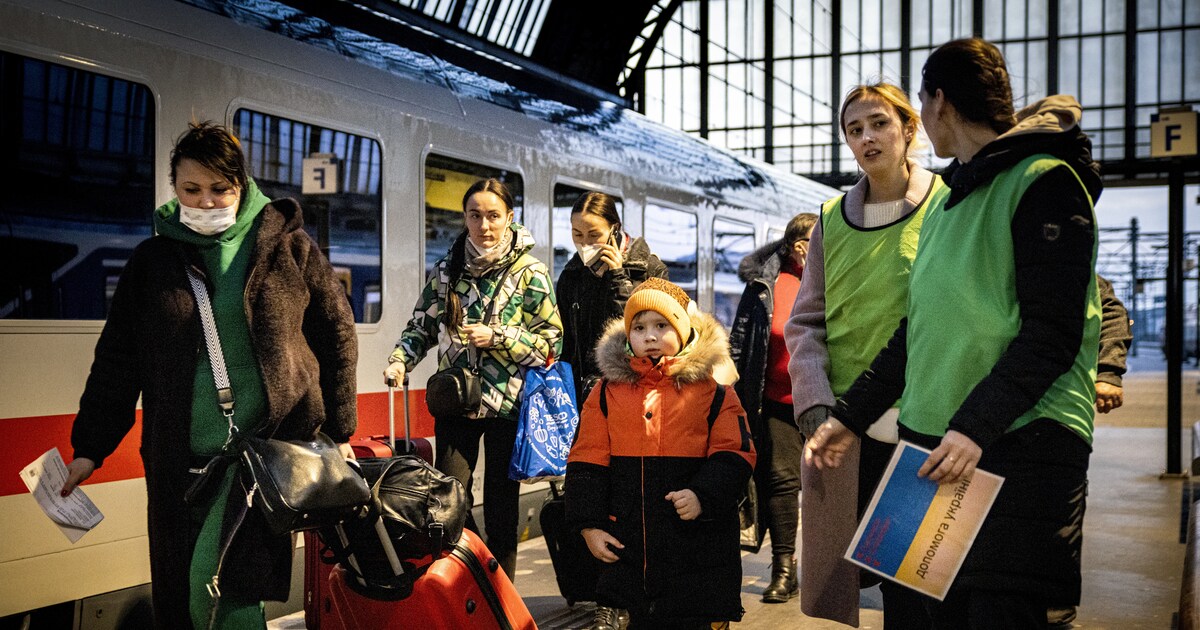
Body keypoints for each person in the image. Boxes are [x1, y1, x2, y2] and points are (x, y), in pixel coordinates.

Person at [806, 38, 1103, 627]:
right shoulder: (951, 202)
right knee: (910, 614)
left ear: (937, 102)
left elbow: (1052, 332)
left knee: (995, 613)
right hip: (928, 448)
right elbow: (916, 333)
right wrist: (847, 417)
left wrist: (973, 428)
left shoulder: (1045, 182)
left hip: (1016, 451)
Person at [59, 121, 359, 629]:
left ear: (241, 186)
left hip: (260, 459)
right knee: (184, 605)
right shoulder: (152, 262)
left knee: (220, 592)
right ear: (174, 189)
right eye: (191, 189)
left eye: (219, 189)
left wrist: (340, 428)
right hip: (179, 463)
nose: (205, 201)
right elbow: (118, 359)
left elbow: (337, 331)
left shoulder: (288, 250)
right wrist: (90, 445)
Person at [784, 81, 949, 627]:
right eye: (854, 130)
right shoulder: (832, 217)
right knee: (850, 575)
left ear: (909, 129)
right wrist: (813, 403)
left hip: (922, 424)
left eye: (879, 123)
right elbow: (806, 321)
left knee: (917, 586)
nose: (867, 138)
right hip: (845, 428)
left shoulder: (948, 205)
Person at [383, 178, 562, 580]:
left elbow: (552, 345)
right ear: (465, 218)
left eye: (493, 216)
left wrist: (498, 336)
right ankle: (472, 582)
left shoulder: (530, 273)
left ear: (509, 218)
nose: (484, 225)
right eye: (475, 215)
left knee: (501, 511)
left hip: (507, 407)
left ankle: (502, 597)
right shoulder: (447, 270)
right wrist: (400, 361)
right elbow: (421, 327)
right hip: (457, 401)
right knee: (447, 503)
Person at [565, 278, 756, 629]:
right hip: (630, 556)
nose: (649, 336)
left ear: (683, 332)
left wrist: (703, 494)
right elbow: (586, 460)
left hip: (698, 557)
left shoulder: (715, 393)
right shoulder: (606, 394)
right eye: (638, 327)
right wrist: (588, 525)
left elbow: (736, 454)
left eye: (661, 325)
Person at [728, 211, 817, 603]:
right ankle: (785, 569)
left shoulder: (841, 278)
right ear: (801, 248)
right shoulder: (766, 285)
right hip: (778, 402)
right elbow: (741, 339)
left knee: (835, 487)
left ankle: (838, 568)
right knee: (781, 483)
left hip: (828, 400)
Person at [556, 191, 668, 402]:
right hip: (583, 392)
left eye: (594, 234)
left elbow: (642, 330)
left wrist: (618, 278)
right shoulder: (572, 275)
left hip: (633, 388)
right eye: (577, 235)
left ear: (614, 228)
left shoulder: (648, 270)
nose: (585, 243)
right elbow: (566, 340)